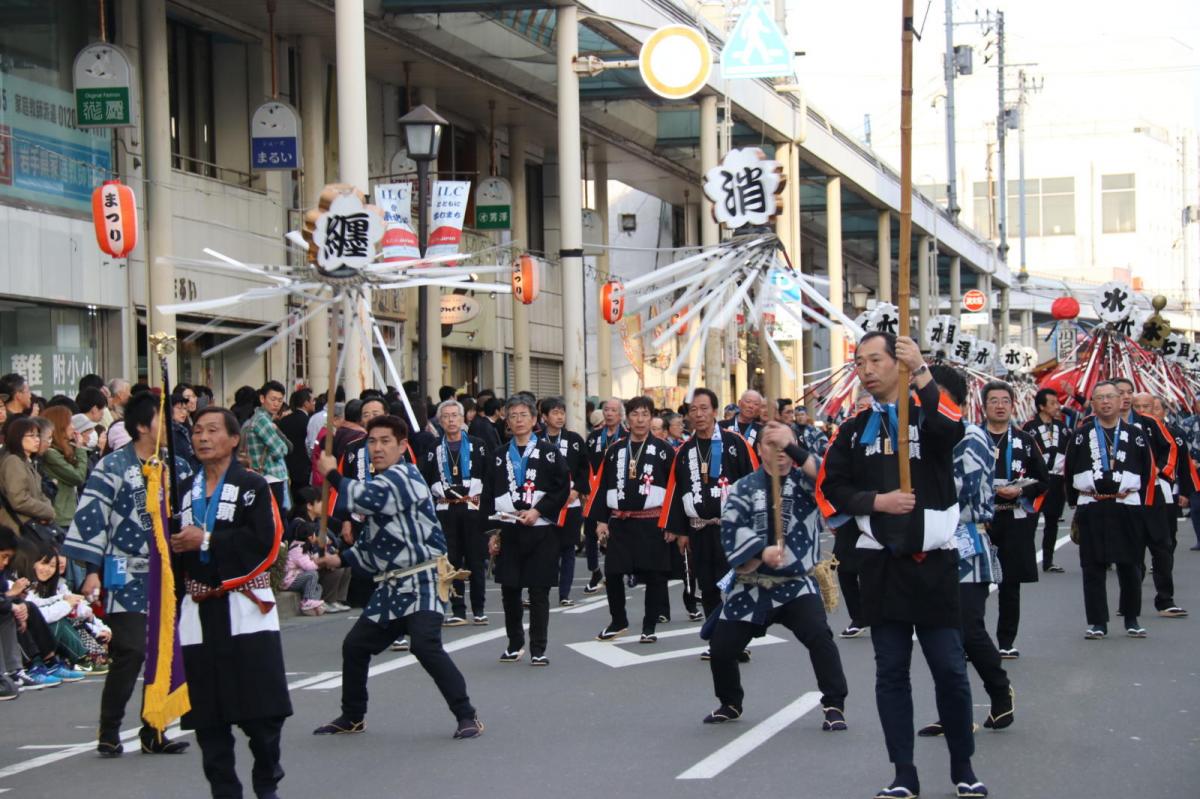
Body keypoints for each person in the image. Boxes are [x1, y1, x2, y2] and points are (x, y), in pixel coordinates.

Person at [816, 332, 985, 799]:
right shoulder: (852, 430)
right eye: (859, 362)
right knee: (890, 670)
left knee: (949, 668)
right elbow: (833, 488)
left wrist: (925, 372)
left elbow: (951, 427)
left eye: (876, 360)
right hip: (882, 567)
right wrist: (878, 501)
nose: (866, 369)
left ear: (899, 363)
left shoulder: (927, 414)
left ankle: (963, 767)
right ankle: (903, 773)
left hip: (934, 563)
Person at [313, 415, 483, 739]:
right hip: (391, 584)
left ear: (403, 445)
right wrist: (336, 559)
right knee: (355, 646)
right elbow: (372, 542)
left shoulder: (405, 477)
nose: (377, 448)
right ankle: (352, 715)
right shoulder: (382, 481)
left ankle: (467, 714)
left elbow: (367, 498)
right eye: (372, 442)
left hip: (424, 578)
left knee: (425, 645)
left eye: (385, 441)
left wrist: (332, 473)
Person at [170, 407, 291, 799]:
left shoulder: (254, 486)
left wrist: (206, 540)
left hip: (244, 606)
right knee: (208, 715)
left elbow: (266, 542)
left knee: (261, 712)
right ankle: (224, 790)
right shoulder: (183, 490)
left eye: (212, 430)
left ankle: (267, 778)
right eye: (197, 431)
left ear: (235, 439)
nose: (202, 437)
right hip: (198, 610)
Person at [63, 391, 192, 757]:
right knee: (131, 649)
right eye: (160, 419)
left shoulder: (177, 468)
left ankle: (155, 728)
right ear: (140, 426)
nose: (168, 426)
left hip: (166, 573)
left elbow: (190, 517)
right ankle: (110, 728)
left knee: (164, 649)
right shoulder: (112, 467)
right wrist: (92, 571)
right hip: (123, 568)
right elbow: (92, 517)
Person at [701, 421, 849, 729]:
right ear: (759, 450)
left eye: (786, 446)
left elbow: (828, 477)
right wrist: (759, 551)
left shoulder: (807, 483)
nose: (780, 452)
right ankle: (730, 702)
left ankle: (834, 704)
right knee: (721, 648)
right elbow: (730, 528)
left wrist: (794, 447)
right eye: (773, 445)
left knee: (819, 637)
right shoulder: (743, 487)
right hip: (751, 586)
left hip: (797, 584)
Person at [918, 365, 1013, 738]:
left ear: (950, 397)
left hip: (965, 542)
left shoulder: (970, 436)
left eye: (930, 390)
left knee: (968, 629)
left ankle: (999, 691)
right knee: (942, 633)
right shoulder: (922, 434)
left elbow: (959, 490)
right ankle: (953, 709)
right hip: (930, 543)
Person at [661, 388, 758, 650]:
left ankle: (738, 640)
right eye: (694, 409)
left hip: (733, 529)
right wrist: (680, 532)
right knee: (708, 585)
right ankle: (717, 641)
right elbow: (677, 490)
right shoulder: (683, 450)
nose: (699, 414)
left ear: (715, 411)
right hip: (700, 530)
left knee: (737, 585)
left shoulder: (736, 443)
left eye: (704, 408)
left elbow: (754, 483)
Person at [481, 396, 569, 664]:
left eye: (523, 415)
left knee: (539, 591)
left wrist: (538, 511)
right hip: (509, 528)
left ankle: (538, 648)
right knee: (509, 589)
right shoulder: (498, 455)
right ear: (506, 421)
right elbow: (489, 494)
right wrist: (493, 532)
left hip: (541, 529)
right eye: (513, 416)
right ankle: (514, 643)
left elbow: (562, 487)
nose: (518, 420)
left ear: (534, 420)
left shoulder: (549, 452)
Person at [1065, 381, 1154, 639]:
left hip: (1126, 504)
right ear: (1093, 403)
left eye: (1110, 397)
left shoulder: (1135, 434)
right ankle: (1097, 622)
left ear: (1120, 402)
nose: (1105, 402)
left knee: (1131, 564)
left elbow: (1147, 470)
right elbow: (1069, 469)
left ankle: (1131, 618)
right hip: (1092, 504)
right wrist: (1074, 501)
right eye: (1100, 398)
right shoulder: (1081, 434)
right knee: (1092, 566)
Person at [587, 396, 674, 644]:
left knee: (655, 575)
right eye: (635, 414)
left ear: (652, 417)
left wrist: (671, 523)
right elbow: (602, 486)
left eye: (645, 414)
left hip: (652, 521)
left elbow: (674, 489)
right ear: (628, 417)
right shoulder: (614, 450)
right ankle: (618, 620)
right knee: (613, 573)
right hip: (621, 521)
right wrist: (601, 520)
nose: (640, 419)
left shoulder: (664, 450)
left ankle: (649, 626)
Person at [980, 380, 1047, 659]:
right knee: (975, 584)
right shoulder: (971, 438)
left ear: (1012, 405)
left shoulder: (1025, 440)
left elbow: (1043, 481)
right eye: (993, 401)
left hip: (1013, 517)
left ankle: (1006, 641)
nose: (999, 406)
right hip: (980, 520)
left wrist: (1019, 490)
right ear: (984, 407)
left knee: (1010, 583)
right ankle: (976, 642)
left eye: (1005, 401)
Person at [420, 400, 491, 625]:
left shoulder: (478, 445)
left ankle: (479, 608)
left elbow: (489, 476)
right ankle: (458, 609)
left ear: (463, 419)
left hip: (472, 508)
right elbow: (425, 477)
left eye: (455, 416)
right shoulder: (434, 448)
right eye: (446, 416)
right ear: (440, 421)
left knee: (476, 559)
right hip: (445, 509)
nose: (451, 420)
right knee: (452, 560)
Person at [1131, 393, 1189, 618]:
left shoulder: (1161, 428)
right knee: (1131, 551)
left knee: (1163, 545)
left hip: (1159, 493)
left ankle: (1165, 599)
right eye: (1139, 405)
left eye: (1148, 405)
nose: (1143, 409)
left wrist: (1164, 472)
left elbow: (1176, 456)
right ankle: (1129, 602)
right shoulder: (1115, 429)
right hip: (1129, 496)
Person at [539, 396, 589, 607]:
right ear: (544, 417)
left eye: (562, 413)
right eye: (555, 413)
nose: (560, 417)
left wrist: (577, 491)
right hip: (544, 504)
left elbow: (584, 468)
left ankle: (565, 593)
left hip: (571, 503)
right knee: (544, 549)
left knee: (568, 549)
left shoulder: (574, 440)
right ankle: (538, 589)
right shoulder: (536, 440)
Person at [1022, 388, 1069, 573]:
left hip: (1057, 480)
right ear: (1041, 406)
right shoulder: (1029, 427)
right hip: (1036, 480)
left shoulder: (1063, 427)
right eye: (1052, 403)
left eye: (1057, 403)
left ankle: (1048, 560)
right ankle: (1027, 559)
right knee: (1031, 520)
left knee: (1052, 520)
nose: (1057, 407)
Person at [583, 398, 625, 594]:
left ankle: (614, 571)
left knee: (615, 533)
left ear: (620, 415)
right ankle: (595, 571)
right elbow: (585, 464)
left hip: (618, 491)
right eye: (606, 410)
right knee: (591, 531)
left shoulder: (626, 436)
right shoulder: (593, 437)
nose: (609, 413)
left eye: (613, 410)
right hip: (595, 491)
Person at [0, 417, 57, 534]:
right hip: (19, 528)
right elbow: (19, 500)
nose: (37, 440)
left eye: (38, 435)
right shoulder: (13, 461)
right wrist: (47, 511)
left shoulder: (27, 462)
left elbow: (40, 494)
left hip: (33, 523)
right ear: (18, 437)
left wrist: (47, 512)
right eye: (32, 436)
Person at [243, 381, 291, 513]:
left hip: (265, 476)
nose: (276, 404)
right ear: (262, 398)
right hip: (270, 477)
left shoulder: (259, 419)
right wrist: (282, 446)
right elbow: (281, 450)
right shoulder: (262, 420)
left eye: (280, 400)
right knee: (276, 518)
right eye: (273, 399)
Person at [39, 406, 89, 532]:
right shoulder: (51, 454)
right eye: (70, 423)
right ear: (60, 426)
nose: (73, 427)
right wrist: (81, 449)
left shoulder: (64, 451)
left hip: (70, 514)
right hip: (61, 517)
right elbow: (78, 477)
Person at [277, 388, 315, 495]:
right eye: (313, 401)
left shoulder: (284, 420)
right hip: (305, 468)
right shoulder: (309, 422)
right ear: (306, 403)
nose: (314, 403)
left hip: (288, 466)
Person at [170, 386, 199, 470]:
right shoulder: (170, 431)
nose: (183, 412)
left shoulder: (184, 429)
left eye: (185, 409)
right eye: (179, 408)